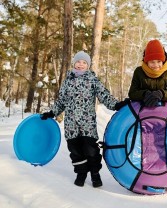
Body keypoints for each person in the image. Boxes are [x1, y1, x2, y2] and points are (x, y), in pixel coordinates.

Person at [41, 51, 127, 187]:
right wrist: (52, 113)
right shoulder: (67, 81)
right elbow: (61, 101)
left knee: (91, 149)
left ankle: (95, 174)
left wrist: (116, 104)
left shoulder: (92, 80)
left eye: (84, 62)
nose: (81, 64)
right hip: (71, 124)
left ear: (88, 66)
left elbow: (104, 95)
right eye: (78, 62)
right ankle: (81, 173)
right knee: (75, 151)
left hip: (87, 124)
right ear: (74, 63)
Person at [128, 39, 167, 106]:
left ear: (163, 61)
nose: (156, 65)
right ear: (146, 62)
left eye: (159, 61)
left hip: (164, 109)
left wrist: (162, 94)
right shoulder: (139, 72)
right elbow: (132, 93)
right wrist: (144, 94)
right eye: (152, 62)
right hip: (143, 108)